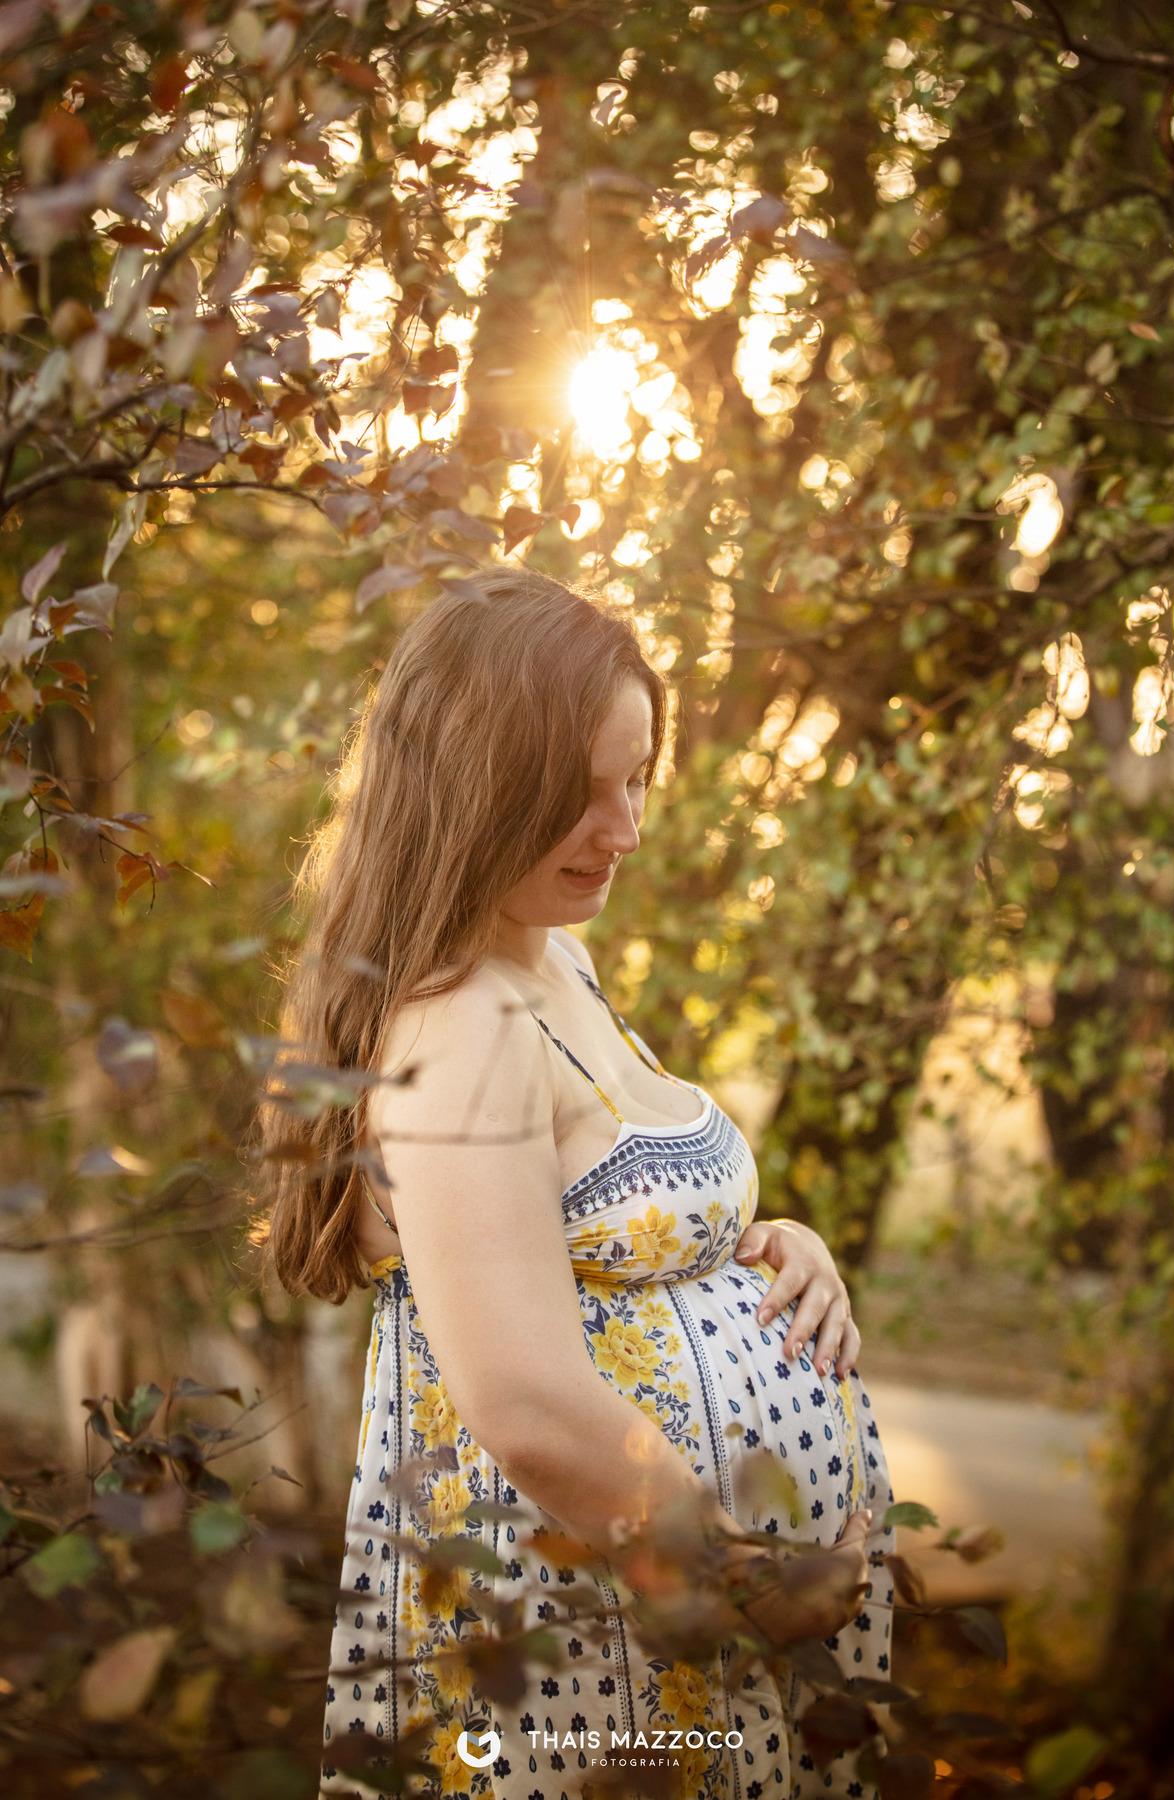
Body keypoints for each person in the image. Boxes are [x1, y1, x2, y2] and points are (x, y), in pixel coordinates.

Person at [263, 570, 894, 1800]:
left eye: (638, 776)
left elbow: (602, 1225)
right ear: (474, 787)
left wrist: (766, 1244)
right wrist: (751, 1588)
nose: (627, 828)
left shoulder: (557, 959)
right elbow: (529, 1404)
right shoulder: (461, 1031)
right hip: (586, 1648)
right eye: (578, 794)